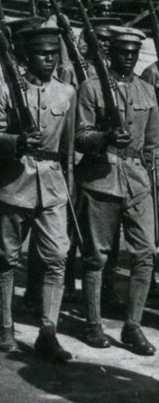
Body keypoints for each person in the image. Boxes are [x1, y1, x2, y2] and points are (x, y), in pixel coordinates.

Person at [0, 26, 76, 362]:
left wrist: (70, 185)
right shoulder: (7, 90)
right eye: (43, 53)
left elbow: (69, 148)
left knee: (57, 256)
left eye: (54, 53)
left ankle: (48, 331)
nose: (50, 59)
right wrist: (15, 142)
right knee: (6, 257)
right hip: (15, 184)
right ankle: (6, 324)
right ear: (27, 55)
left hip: (53, 187)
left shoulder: (66, 93)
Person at [75, 26, 158, 355]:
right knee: (96, 257)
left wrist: (152, 182)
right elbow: (80, 135)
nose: (129, 58)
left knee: (145, 254)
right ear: (110, 53)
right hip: (100, 179)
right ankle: (93, 323)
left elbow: (152, 145)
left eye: (134, 53)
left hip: (138, 182)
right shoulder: (91, 88)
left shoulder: (147, 91)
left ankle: (133, 326)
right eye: (123, 52)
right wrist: (104, 138)